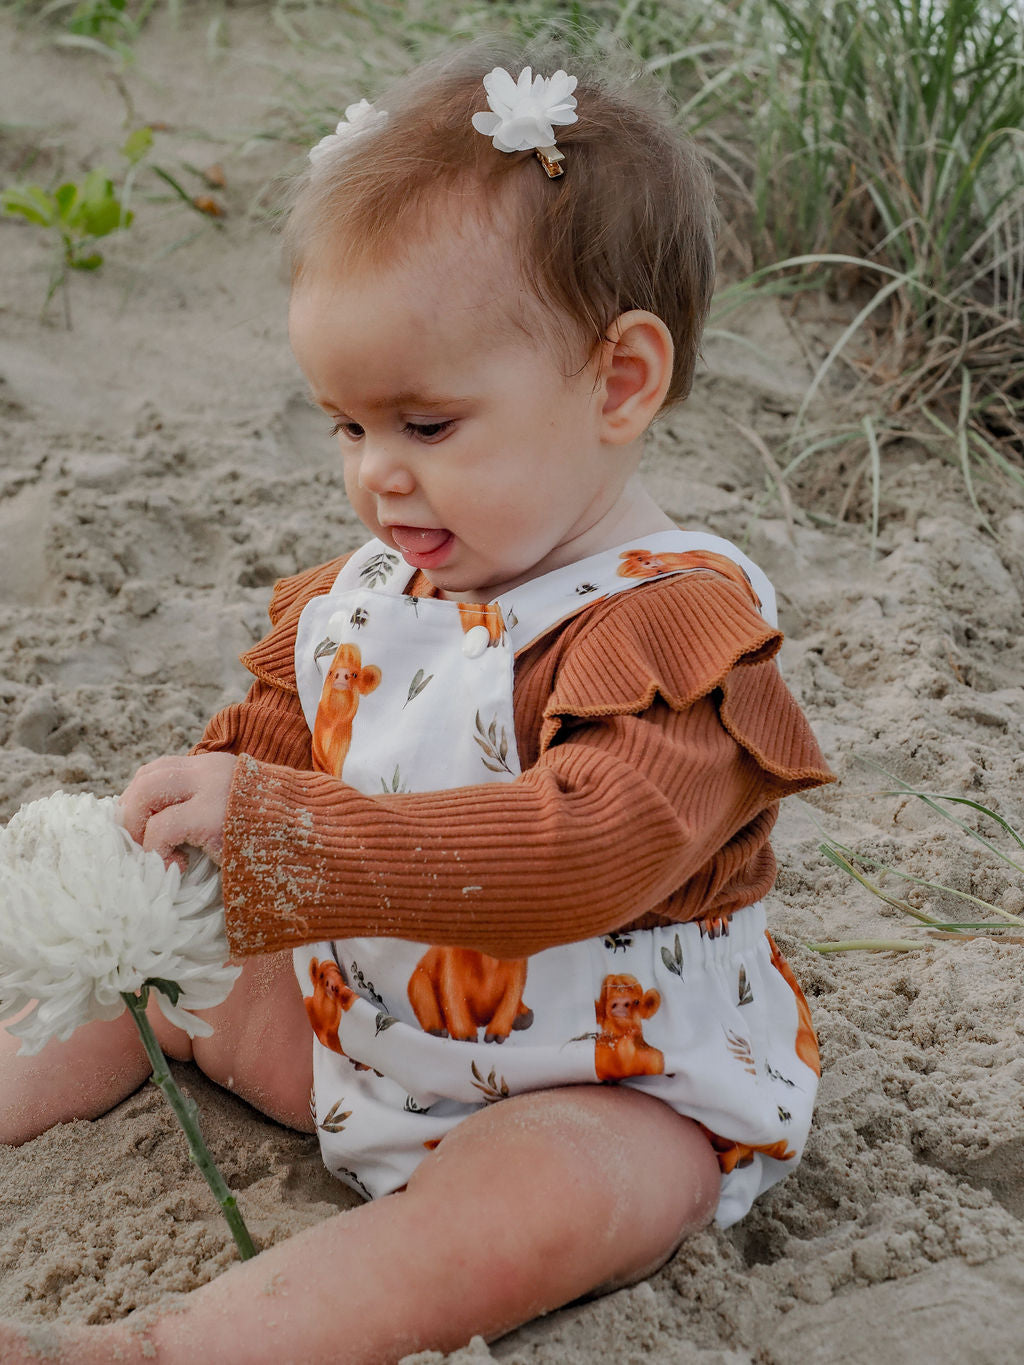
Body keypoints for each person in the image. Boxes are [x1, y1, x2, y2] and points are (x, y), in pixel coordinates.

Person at [0, 43, 833, 1364]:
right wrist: (191, 819)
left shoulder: (679, 630)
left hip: (601, 1074)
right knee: (160, 970)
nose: (379, 476)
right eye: (346, 426)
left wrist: (283, 835)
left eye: (427, 426)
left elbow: (577, 857)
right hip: (369, 1022)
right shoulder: (375, 586)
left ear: (618, 382)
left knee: (528, 1204)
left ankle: (169, 1344)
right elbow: (286, 727)